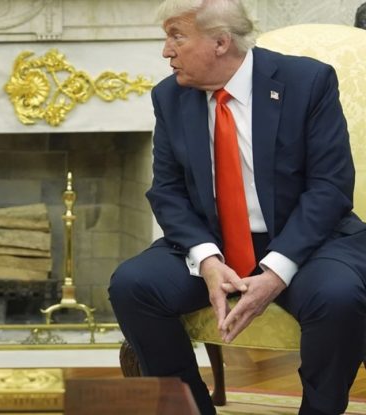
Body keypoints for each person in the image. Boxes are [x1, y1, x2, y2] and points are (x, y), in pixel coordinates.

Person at [108, 1, 366, 414]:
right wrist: (207, 260)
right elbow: (168, 192)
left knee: (337, 296)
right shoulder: (170, 96)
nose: (166, 51)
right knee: (133, 285)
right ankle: (189, 409)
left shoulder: (307, 82)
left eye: (176, 36)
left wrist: (276, 271)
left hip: (307, 241)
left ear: (220, 42)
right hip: (217, 242)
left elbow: (330, 188)